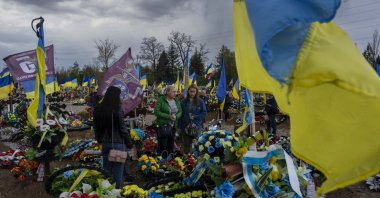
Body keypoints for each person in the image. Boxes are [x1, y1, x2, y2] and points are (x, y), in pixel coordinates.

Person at [93, 86, 132, 188]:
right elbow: (123, 128)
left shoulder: (98, 108)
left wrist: (99, 139)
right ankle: (117, 193)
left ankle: (106, 193)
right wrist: (129, 143)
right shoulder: (117, 109)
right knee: (118, 173)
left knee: (106, 171)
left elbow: (95, 127)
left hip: (105, 143)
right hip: (118, 143)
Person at [154, 85, 182, 157]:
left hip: (173, 126)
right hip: (163, 126)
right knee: (163, 145)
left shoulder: (176, 100)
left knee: (171, 145)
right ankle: (161, 162)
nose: (176, 93)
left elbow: (180, 111)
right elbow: (156, 112)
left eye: (176, 91)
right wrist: (168, 116)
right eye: (174, 92)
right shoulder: (161, 99)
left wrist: (176, 116)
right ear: (167, 92)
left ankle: (169, 163)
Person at [179, 85, 207, 154]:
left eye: (194, 92)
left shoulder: (200, 101)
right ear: (188, 91)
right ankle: (186, 159)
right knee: (186, 144)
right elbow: (180, 114)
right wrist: (179, 126)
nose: (192, 93)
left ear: (196, 92)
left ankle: (195, 159)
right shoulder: (183, 102)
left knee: (196, 144)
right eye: (191, 91)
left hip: (197, 125)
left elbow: (204, 113)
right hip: (185, 125)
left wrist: (195, 117)